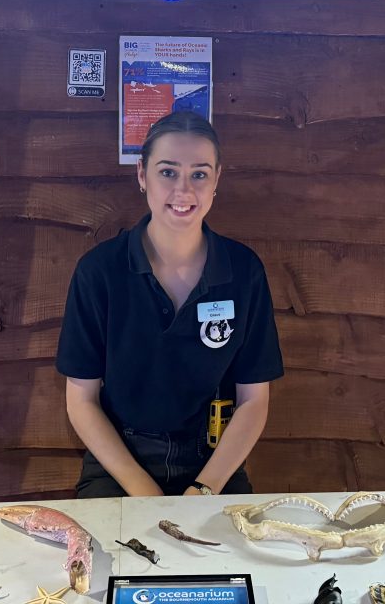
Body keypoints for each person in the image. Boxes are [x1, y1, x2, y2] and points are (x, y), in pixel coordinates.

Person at [55, 111, 284, 497]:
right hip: (120, 464)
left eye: (199, 174)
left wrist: (204, 489)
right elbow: (81, 400)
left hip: (212, 464)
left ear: (217, 179)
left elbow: (254, 400)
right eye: (167, 172)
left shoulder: (243, 271)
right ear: (142, 175)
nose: (184, 190)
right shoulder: (100, 271)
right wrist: (144, 492)